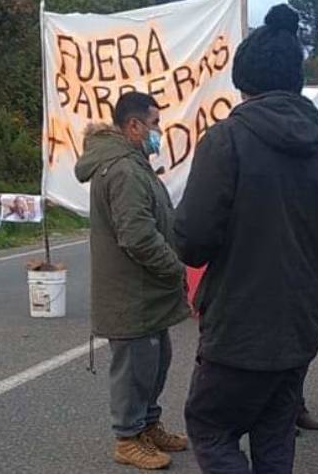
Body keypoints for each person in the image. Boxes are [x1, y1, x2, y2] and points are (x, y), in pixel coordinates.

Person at [174, 4, 318, 474]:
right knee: (275, 439)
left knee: (211, 428)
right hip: (298, 330)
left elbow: (192, 240)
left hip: (237, 328)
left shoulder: (226, 140)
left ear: (243, 81)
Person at [74, 91, 190, 471]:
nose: (159, 131)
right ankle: (127, 437)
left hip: (147, 294)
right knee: (135, 370)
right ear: (134, 125)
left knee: (155, 364)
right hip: (132, 295)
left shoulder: (134, 164)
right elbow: (137, 236)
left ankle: (147, 425)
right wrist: (176, 268)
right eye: (155, 123)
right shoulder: (123, 169)